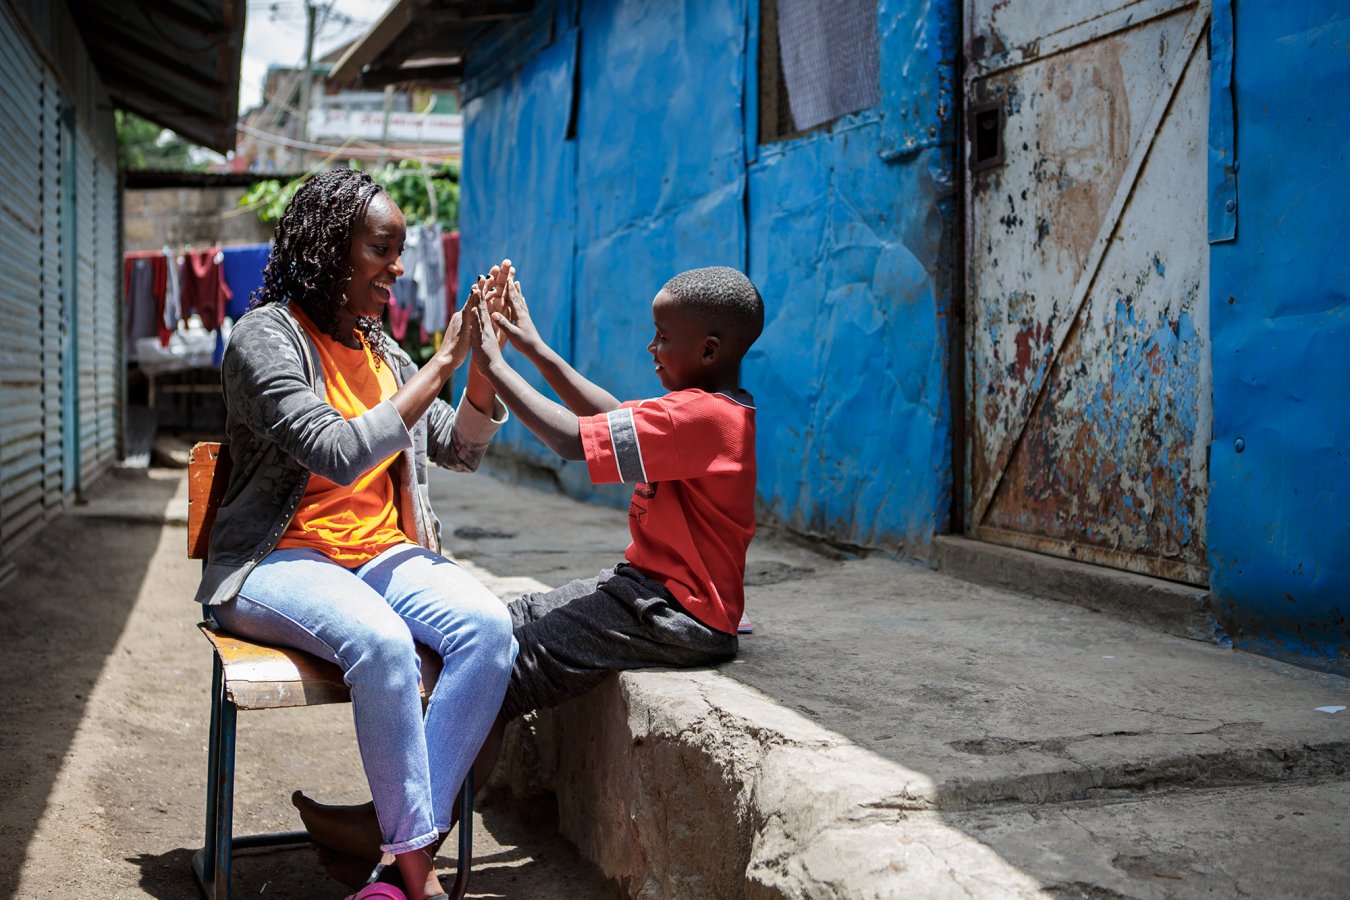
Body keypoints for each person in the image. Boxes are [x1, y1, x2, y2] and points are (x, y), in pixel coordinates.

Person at [297, 263, 765, 873]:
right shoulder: (707, 407)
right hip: (647, 593)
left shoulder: (706, 418)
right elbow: (607, 418)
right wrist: (533, 346)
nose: (651, 346)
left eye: (663, 336)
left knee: (499, 671)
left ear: (708, 348)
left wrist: (493, 366)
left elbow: (575, 439)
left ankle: (416, 837)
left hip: (672, 613)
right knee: (498, 622)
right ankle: (401, 815)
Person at [194, 166, 518, 900]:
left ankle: (390, 864)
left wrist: (485, 362)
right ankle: (416, 876)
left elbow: (456, 447)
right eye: (382, 250)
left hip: (379, 555)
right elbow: (338, 453)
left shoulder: (380, 348)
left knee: (490, 630)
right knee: (381, 643)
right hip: (277, 561)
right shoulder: (263, 340)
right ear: (330, 249)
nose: (398, 269)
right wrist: (441, 360)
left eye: (401, 251)